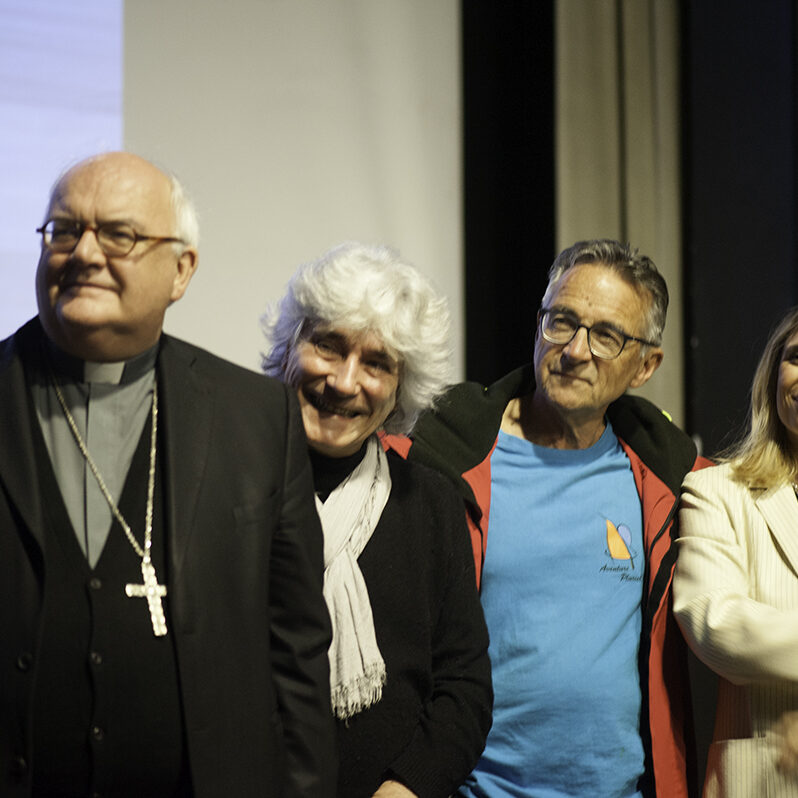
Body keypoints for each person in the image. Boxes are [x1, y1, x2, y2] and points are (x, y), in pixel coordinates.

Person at [0, 152, 336, 797]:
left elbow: (295, 646)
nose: (85, 253)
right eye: (64, 231)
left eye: (119, 235)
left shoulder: (256, 417)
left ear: (181, 269)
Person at [404, 239, 704, 797]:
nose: (574, 350)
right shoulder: (446, 457)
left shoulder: (670, 478)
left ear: (646, 365)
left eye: (606, 335)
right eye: (561, 321)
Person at [261, 241, 493, 798]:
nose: (344, 382)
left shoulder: (431, 503)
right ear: (290, 348)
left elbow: (464, 688)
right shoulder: (223, 482)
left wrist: (408, 787)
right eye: (328, 346)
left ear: (399, 390)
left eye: (376, 363)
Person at [673, 306, 798, 797]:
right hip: (766, 781)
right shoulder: (716, 490)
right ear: (774, 377)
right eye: (795, 358)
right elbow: (714, 622)